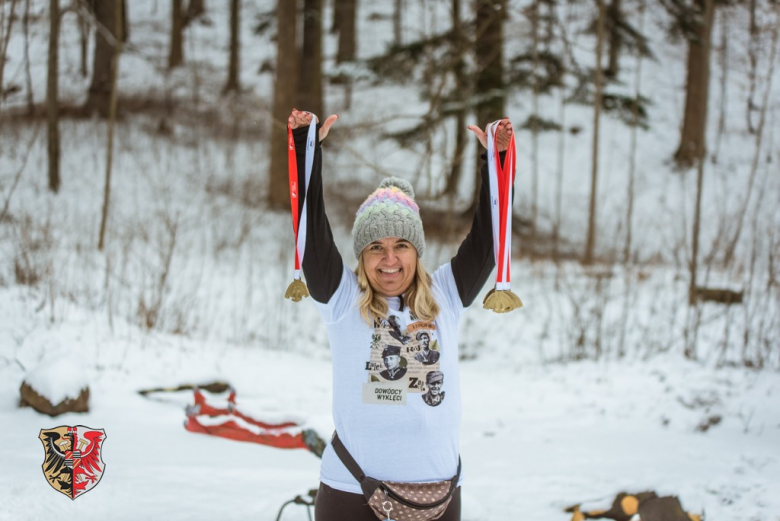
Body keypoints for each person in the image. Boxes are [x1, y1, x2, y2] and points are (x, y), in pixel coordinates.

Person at [288, 109, 513, 521]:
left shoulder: (447, 294)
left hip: (439, 497)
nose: (389, 259)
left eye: (401, 246)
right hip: (351, 495)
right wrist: (307, 150)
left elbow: (488, 237)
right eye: (376, 247)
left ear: (417, 251)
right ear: (362, 254)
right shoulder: (341, 299)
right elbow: (312, 234)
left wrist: (495, 160)